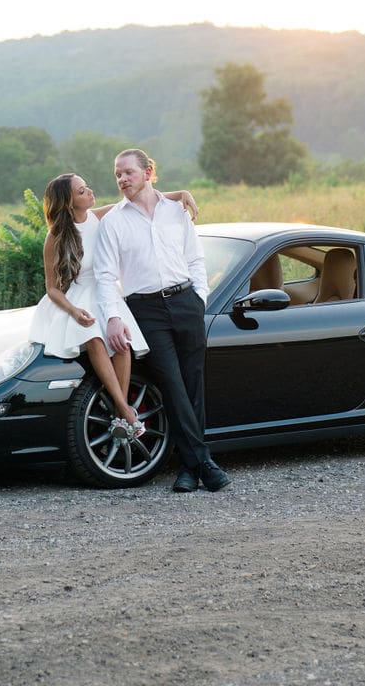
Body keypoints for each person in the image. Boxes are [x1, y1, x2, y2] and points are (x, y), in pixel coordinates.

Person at [95, 147, 229, 493]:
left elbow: (195, 259)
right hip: (145, 311)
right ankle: (205, 463)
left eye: (128, 172)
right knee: (172, 385)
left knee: (193, 384)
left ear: (148, 172)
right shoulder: (113, 221)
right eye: (117, 174)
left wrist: (199, 299)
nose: (122, 179)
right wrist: (112, 317)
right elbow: (105, 276)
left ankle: (189, 467)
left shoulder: (177, 212)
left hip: (186, 302)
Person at [27, 172, 197, 440]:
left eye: (87, 186)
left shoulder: (98, 216)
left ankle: (120, 408)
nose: (90, 191)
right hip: (78, 296)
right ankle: (126, 411)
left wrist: (180, 195)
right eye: (82, 191)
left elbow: (138, 199)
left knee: (122, 343)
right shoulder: (56, 236)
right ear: (69, 202)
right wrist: (73, 310)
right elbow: (52, 288)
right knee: (94, 339)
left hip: (105, 291)